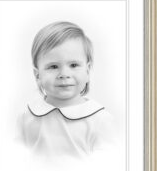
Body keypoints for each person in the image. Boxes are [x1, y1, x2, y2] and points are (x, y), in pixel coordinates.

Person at [17, 21, 115, 160]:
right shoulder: (27, 118)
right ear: (37, 75)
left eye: (74, 65)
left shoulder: (100, 120)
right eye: (53, 66)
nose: (64, 74)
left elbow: (108, 165)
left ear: (87, 71)